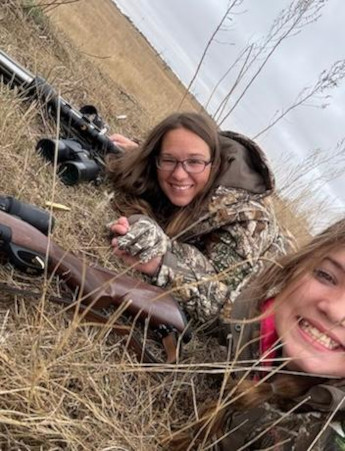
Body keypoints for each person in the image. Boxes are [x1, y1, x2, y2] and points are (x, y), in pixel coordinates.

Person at [167, 218, 345, 450]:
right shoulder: (251, 318)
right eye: (326, 276)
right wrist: (160, 259)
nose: (335, 311)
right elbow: (212, 298)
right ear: (294, 269)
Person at [107, 112, 291, 324]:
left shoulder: (247, 220)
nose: (179, 174)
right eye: (168, 160)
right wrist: (138, 156)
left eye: (194, 162)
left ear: (215, 163)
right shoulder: (170, 164)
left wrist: (162, 262)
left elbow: (228, 306)